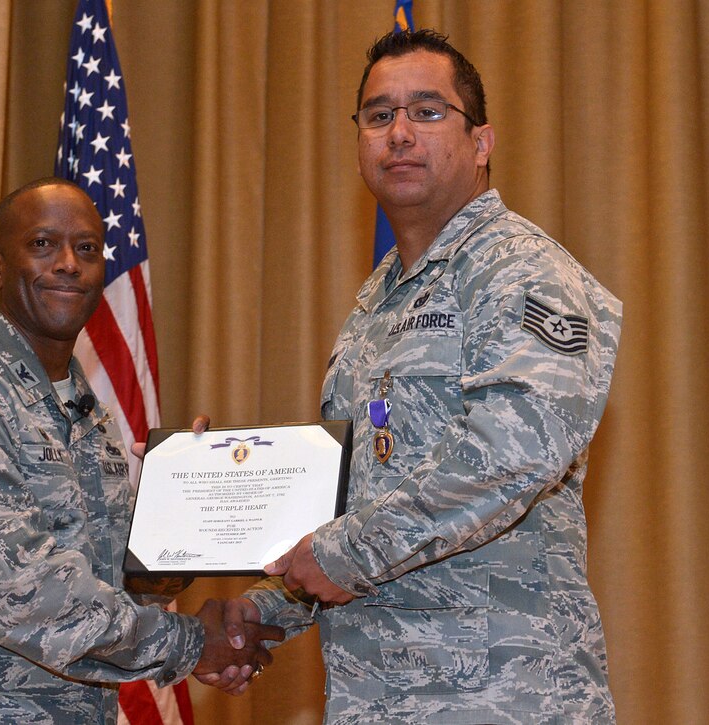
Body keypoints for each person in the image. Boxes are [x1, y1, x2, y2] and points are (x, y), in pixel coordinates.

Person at [209, 29, 622, 723]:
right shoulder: (377, 303)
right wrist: (266, 606)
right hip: (377, 697)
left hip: (504, 698)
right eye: (379, 115)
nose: (399, 132)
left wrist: (342, 553)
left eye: (427, 111)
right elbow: (356, 501)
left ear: (481, 142)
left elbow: (514, 452)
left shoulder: (524, 271)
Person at [0, 178, 280, 723]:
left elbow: (118, 586)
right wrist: (192, 643)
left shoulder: (88, 415)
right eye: (43, 244)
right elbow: (17, 592)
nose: (68, 264)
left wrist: (179, 511)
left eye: (86, 248)